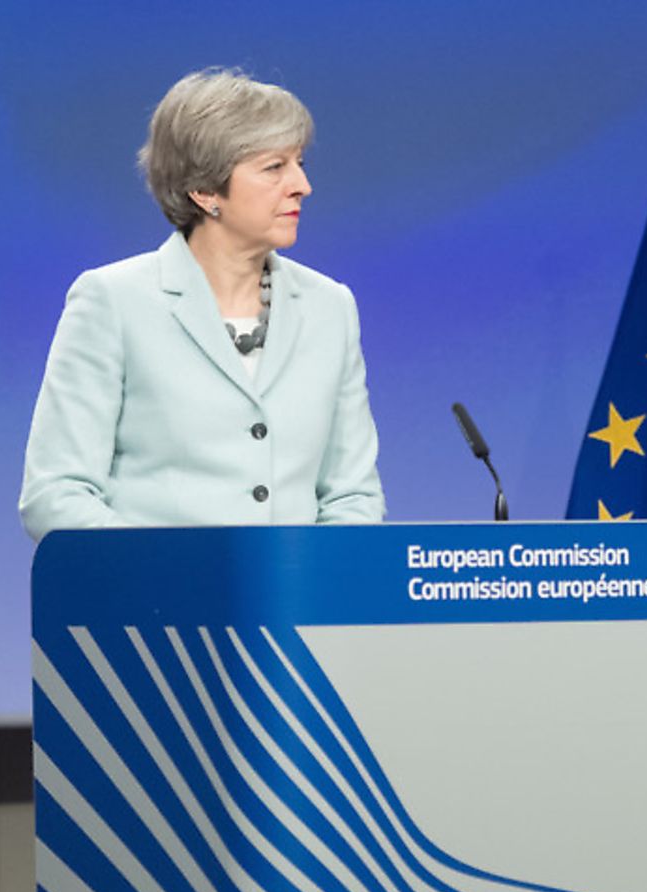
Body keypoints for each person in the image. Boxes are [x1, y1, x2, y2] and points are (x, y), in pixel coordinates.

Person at [20, 68, 384, 541]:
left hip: (296, 607)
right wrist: (177, 579)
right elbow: (56, 495)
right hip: (152, 607)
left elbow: (352, 496)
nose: (301, 185)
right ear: (206, 191)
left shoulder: (329, 307)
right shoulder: (112, 301)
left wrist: (310, 586)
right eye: (274, 167)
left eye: (300, 163)